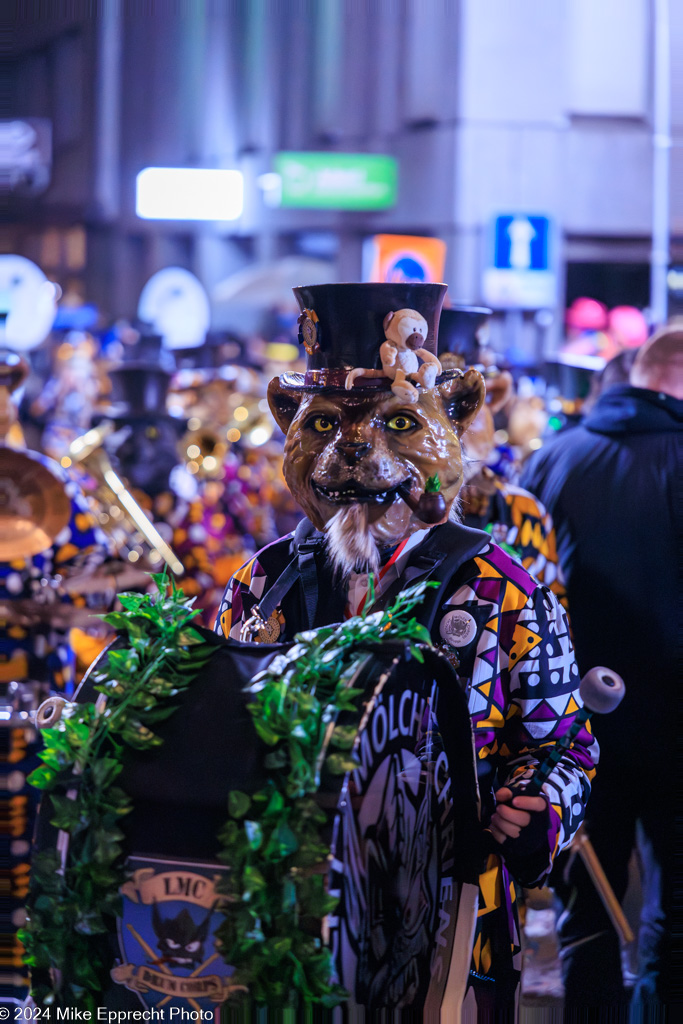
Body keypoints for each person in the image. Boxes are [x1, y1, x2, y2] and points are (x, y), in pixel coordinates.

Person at [216, 283, 597, 1017]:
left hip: (451, 923)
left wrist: (537, 808)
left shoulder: (499, 585)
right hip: (283, 918)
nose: (352, 455)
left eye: (394, 423)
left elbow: (565, 745)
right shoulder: (265, 578)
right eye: (323, 425)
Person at [521, 323, 682, 1016]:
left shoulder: (551, 460)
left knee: (583, 914)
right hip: (679, 732)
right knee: (674, 924)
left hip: (573, 731)